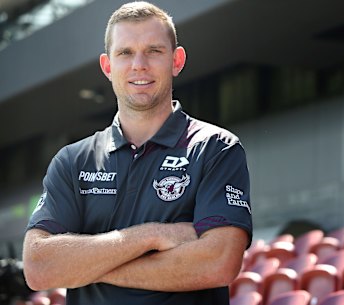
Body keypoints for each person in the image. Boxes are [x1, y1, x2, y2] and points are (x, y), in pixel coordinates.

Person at [22, 2, 252, 305]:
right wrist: (151, 236)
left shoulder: (214, 148)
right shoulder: (72, 161)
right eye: (125, 53)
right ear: (107, 66)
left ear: (176, 60)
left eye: (154, 51)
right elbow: (39, 268)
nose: (139, 64)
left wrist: (87, 266)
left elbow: (218, 263)